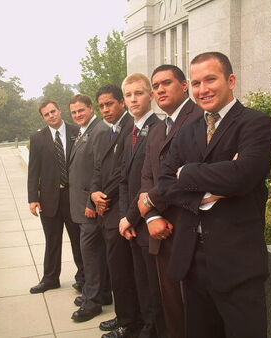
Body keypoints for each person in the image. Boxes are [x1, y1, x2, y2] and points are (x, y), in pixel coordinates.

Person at [158, 52, 271, 337]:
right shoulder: (187, 132)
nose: (203, 89)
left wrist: (186, 173)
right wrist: (207, 195)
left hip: (237, 264)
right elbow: (164, 183)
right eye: (196, 82)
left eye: (211, 79)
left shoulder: (256, 124)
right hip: (192, 259)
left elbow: (242, 176)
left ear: (231, 80)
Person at [137, 64, 203, 338]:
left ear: (184, 85)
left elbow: (190, 176)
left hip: (190, 227)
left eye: (166, 83)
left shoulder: (200, 118)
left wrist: (150, 204)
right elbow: (147, 175)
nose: (160, 89)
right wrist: (151, 217)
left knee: (195, 310)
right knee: (172, 305)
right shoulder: (157, 129)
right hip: (160, 230)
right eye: (156, 86)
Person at [90, 85, 142, 338]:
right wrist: (93, 194)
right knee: (116, 269)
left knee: (122, 271)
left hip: (120, 210)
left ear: (122, 102)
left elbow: (124, 171)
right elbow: (98, 168)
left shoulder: (132, 127)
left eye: (109, 104)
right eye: (101, 106)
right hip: (105, 209)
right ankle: (123, 316)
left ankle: (129, 323)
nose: (105, 109)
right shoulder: (107, 131)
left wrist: (104, 197)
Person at [118, 73, 166, 338]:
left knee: (155, 286)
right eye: (129, 95)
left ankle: (155, 331)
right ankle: (146, 327)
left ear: (150, 95)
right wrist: (126, 218)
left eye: (139, 93)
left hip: (150, 221)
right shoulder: (129, 133)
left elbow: (151, 184)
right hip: (133, 224)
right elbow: (125, 180)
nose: (134, 99)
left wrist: (133, 217)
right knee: (141, 284)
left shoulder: (159, 129)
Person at [27, 100, 84, 294]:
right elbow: (33, 171)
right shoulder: (37, 138)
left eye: (53, 111)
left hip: (73, 196)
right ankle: (50, 279)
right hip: (49, 198)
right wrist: (32, 198)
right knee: (52, 240)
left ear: (60, 111)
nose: (51, 116)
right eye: (46, 114)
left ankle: (83, 278)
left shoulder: (78, 132)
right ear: (43, 117)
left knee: (79, 240)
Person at [67, 94, 111, 322]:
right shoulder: (84, 131)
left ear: (91, 108)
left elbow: (100, 169)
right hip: (81, 205)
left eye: (81, 110)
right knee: (94, 253)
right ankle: (101, 293)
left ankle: (91, 302)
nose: (77, 115)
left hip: (90, 208)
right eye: (73, 112)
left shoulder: (100, 131)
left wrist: (91, 202)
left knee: (90, 254)